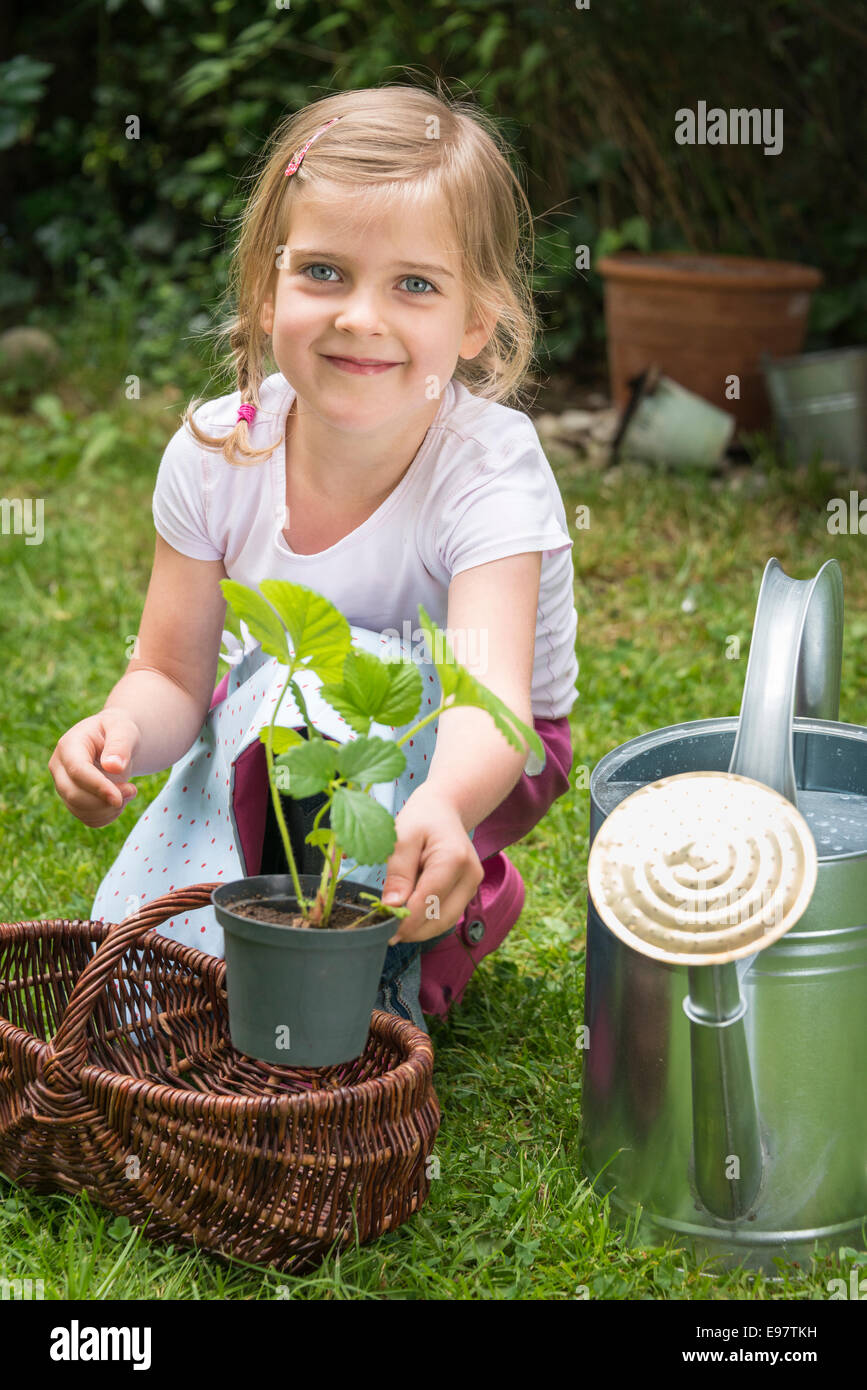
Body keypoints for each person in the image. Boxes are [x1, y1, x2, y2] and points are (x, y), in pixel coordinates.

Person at [47, 81, 578, 1033]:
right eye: (324, 272)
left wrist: (449, 804)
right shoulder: (217, 453)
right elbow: (172, 674)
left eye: (414, 284)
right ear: (266, 287)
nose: (360, 317)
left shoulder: (488, 469)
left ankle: (411, 934)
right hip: (270, 724)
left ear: (474, 322)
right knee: (144, 996)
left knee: (345, 682)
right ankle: (263, 920)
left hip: (480, 743)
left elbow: (489, 699)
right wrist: (119, 731)